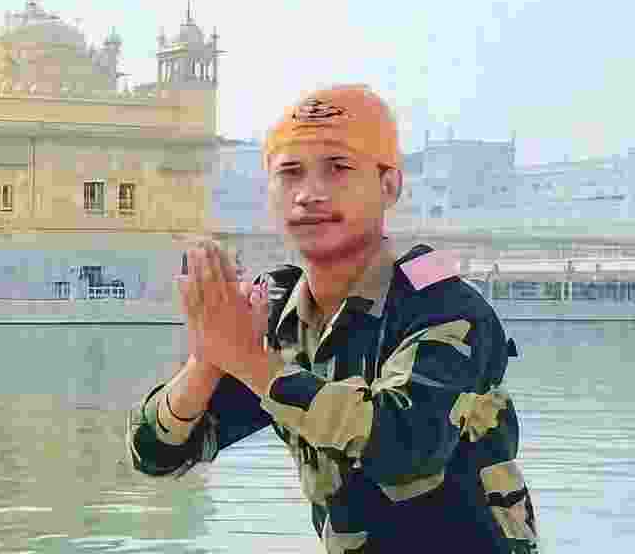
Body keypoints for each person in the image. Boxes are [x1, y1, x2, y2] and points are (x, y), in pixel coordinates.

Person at [127, 84, 539, 553]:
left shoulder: (442, 304)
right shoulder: (279, 315)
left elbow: (406, 446)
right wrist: (208, 359)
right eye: (290, 173)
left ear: (389, 185)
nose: (309, 194)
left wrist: (247, 360)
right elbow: (156, 454)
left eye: (338, 168)